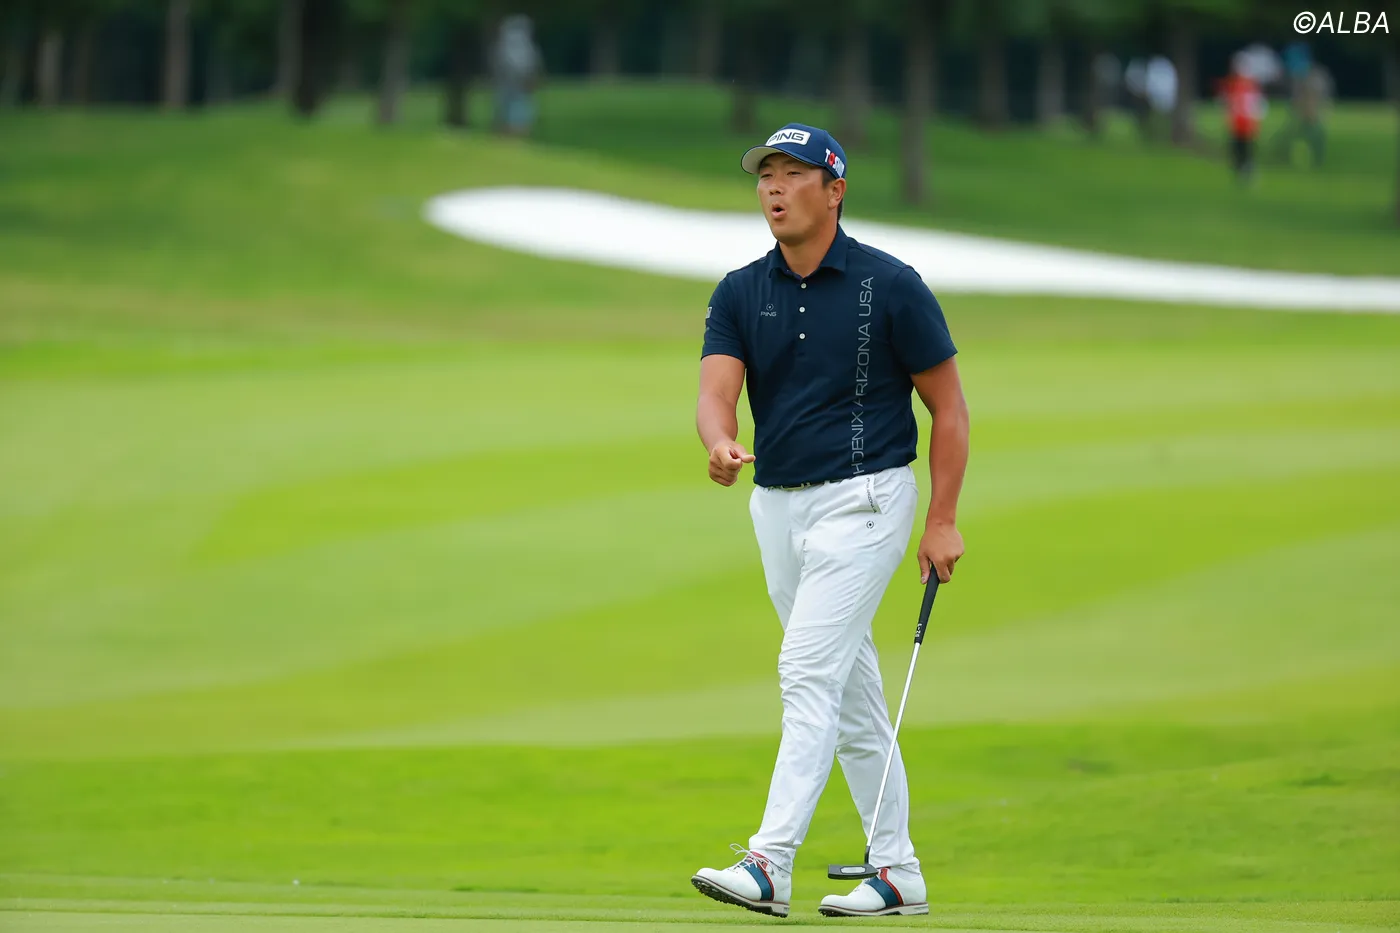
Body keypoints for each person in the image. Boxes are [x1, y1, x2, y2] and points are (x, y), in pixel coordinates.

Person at [689, 123, 970, 918]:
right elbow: (716, 391)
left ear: (834, 189)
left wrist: (942, 518)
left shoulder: (892, 284)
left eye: (792, 174)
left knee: (806, 669)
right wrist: (718, 441)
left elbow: (949, 408)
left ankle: (769, 861)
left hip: (867, 498)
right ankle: (898, 872)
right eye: (765, 175)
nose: (773, 188)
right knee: (847, 695)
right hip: (776, 504)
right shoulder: (740, 290)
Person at [489, 14, 542, 137]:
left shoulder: (506, 45)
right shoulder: (519, 46)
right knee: (515, 116)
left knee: (513, 114)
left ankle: (511, 137)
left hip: (514, 88)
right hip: (514, 87)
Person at [1218, 52, 1266, 183]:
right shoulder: (1233, 85)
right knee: (1237, 149)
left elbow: (1257, 104)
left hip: (1246, 123)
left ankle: (1247, 171)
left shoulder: (1250, 85)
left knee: (1247, 150)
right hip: (1237, 123)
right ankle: (1241, 172)